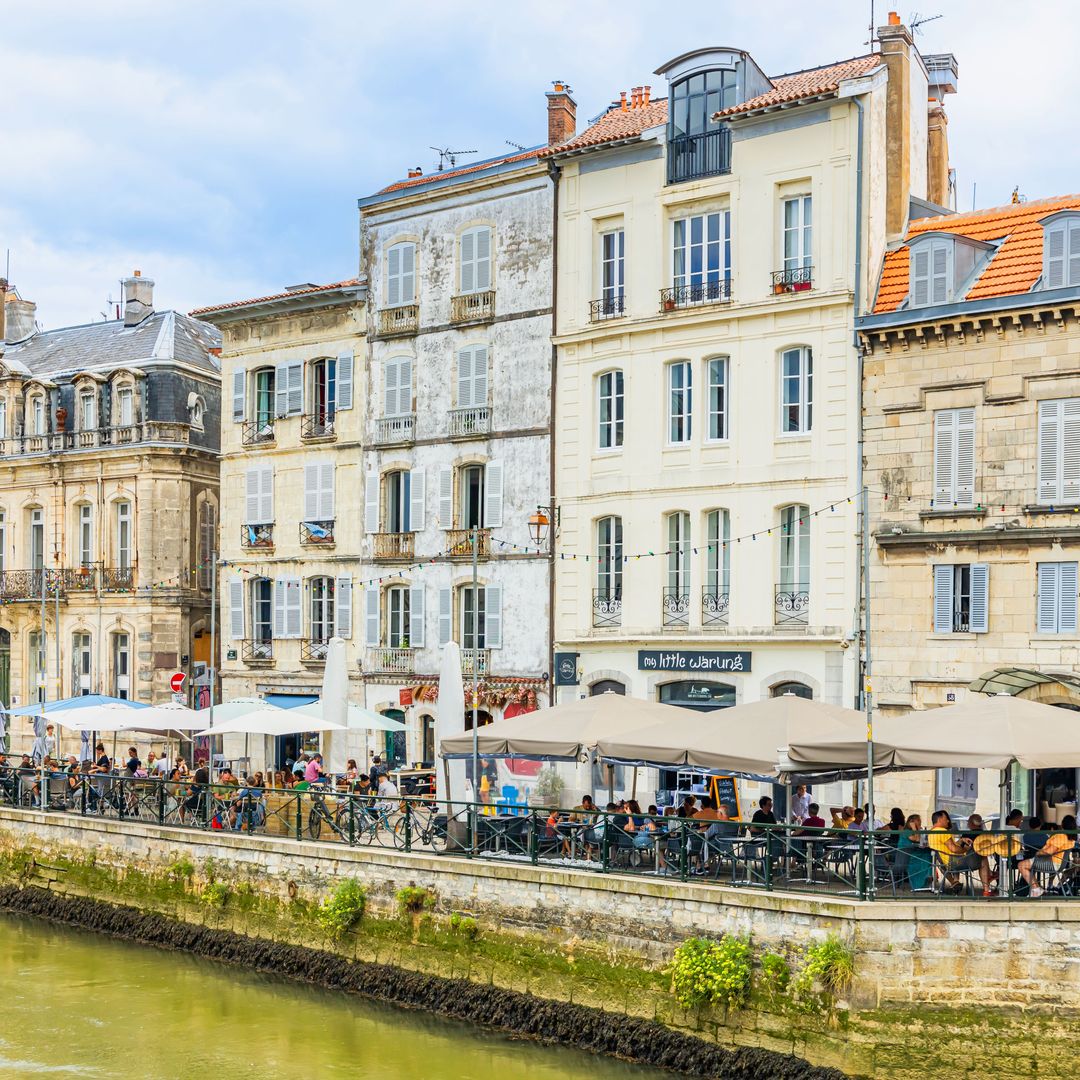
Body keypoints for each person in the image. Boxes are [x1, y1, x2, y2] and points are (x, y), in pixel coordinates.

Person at [928, 809, 993, 895]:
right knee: (982, 858)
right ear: (939, 819)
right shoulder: (942, 831)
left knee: (980, 857)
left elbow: (950, 847)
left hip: (946, 862)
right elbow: (954, 849)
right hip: (955, 861)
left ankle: (956, 882)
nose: (948, 821)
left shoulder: (931, 833)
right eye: (946, 819)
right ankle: (987, 889)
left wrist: (962, 840)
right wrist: (966, 849)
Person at [1019, 815, 1076, 897]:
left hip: (1052, 863)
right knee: (1027, 865)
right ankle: (1037, 889)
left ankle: (1036, 889)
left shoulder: (1061, 836)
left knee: (1021, 865)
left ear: (1063, 824)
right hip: (1060, 864)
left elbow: (1049, 851)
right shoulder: (1071, 839)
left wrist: (1038, 853)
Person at [898, 813, 932, 889]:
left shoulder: (915, 831)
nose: (920, 822)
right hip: (907, 856)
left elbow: (921, 841)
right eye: (918, 820)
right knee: (926, 855)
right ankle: (921, 882)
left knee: (928, 853)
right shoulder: (907, 831)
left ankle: (927, 877)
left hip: (913, 852)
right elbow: (917, 839)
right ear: (911, 821)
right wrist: (915, 828)